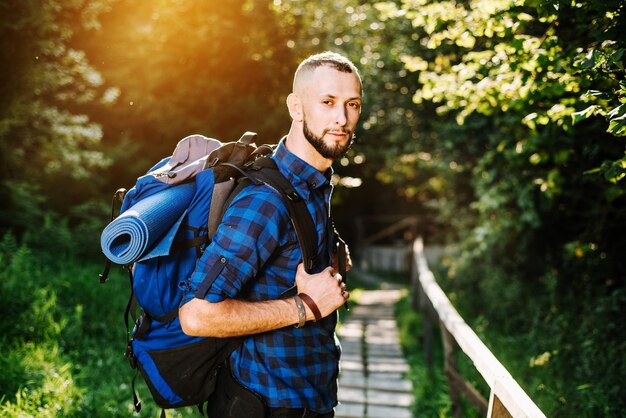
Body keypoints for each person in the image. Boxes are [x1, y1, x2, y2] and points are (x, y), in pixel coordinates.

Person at [179, 51, 363, 418]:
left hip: (307, 401)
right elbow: (197, 316)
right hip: (264, 406)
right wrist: (306, 307)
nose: (341, 118)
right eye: (327, 102)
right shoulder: (265, 201)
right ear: (296, 107)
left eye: (352, 104)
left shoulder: (313, 185)